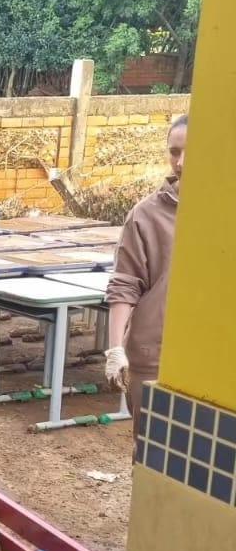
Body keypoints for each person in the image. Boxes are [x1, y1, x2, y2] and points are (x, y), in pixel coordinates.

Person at [105, 114, 188, 434]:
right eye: (174, 151)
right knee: (153, 453)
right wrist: (115, 349)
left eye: (190, 152)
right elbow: (125, 283)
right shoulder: (146, 214)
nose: (180, 162)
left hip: (212, 356)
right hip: (154, 356)